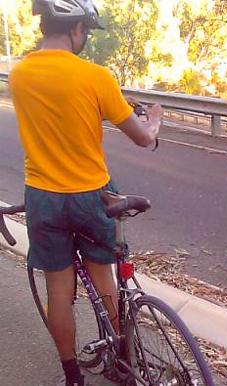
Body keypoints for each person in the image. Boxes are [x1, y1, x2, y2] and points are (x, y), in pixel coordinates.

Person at [8, 1, 163, 385]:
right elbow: (143, 138)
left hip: (43, 196)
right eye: (86, 33)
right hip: (91, 195)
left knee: (59, 292)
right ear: (76, 29)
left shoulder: (20, 73)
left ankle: (72, 374)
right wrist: (154, 118)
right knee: (104, 280)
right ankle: (121, 359)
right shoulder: (96, 76)